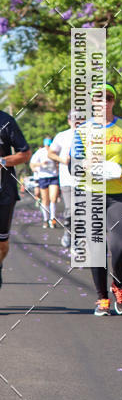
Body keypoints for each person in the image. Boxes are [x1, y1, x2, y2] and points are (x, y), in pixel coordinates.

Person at [72, 83, 122, 316]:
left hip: (119, 195)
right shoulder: (82, 130)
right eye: (99, 98)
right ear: (93, 102)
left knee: (120, 247)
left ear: (114, 102)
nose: (104, 103)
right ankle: (102, 298)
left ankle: (118, 287)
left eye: (109, 98)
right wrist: (85, 164)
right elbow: (75, 162)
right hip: (91, 194)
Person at [0, 110, 31, 288]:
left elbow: (25, 153)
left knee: (2, 243)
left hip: (4, 191)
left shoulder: (6, 121)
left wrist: (2, 162)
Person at [48, 111, 76, 248]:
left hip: (88, 181)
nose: (77, 121)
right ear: (69, 120)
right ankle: (68, 232)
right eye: (74, 118)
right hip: (68, 180)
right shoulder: (62, 136)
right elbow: (51, 153)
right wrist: (62, 160)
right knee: (71, 210)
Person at [30, 137, 60, 228]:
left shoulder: (55, 151)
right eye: (47, 145)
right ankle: (45, 219)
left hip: (54, 177)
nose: (48, 147)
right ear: (44, 145)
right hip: (43, 177)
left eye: (50, 145)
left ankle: (52, 219)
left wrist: (57, 163)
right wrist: (41, 164)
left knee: (53, 198)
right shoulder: (40, 152)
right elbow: (32, 164)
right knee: (45, 200)